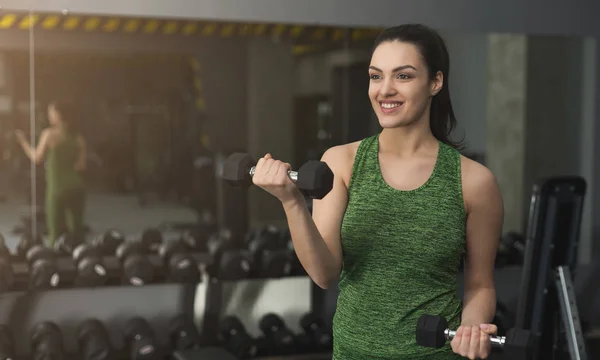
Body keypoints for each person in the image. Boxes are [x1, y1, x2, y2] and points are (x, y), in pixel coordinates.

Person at [252, 24, 503, 360]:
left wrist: (471, 327)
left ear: (435, 82)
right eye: (375, 76)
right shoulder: (341, 163)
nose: (385, 90)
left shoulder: (474, 182)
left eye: (403, 76)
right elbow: (325, 274)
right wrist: (291, 201)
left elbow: (481, 287)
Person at [16, 100, 87, 247]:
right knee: (77, 232)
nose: (49, 115)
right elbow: (81, 166)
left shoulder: (49, 134)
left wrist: (23, 142)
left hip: (58, 188)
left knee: (55, 232)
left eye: (51, 112)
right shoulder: (78, 137)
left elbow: (36, 158)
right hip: (77, 187)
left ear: (58, 115)